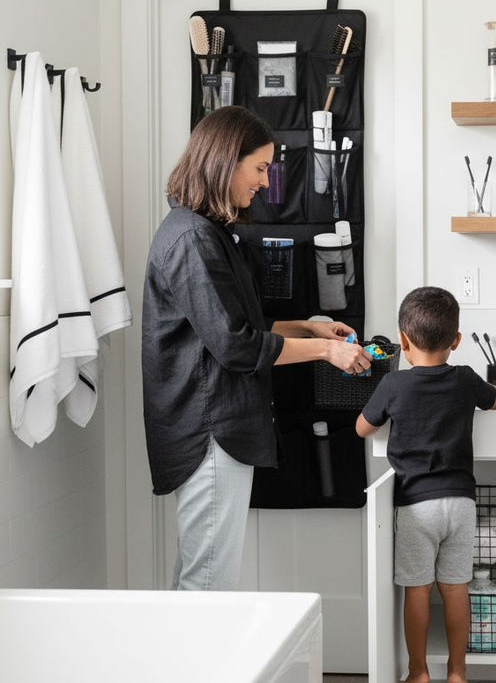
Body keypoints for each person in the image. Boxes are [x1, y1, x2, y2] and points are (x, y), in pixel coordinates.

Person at [142, 106, 371, 591]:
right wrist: (327, 353)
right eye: (261, 168)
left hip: (213, 425)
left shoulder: (205, 232)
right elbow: (237, 347)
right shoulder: (193, 240)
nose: (266, 183)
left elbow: (230, 324)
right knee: (208, 584)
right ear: (226, 161)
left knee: (200, 577)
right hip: (210, 431)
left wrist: (305, 328)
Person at [355, 286, 496, 683]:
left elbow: (362, 428)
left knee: (418, 590)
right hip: (461, 504)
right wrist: (495, 391)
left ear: (403, 341)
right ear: (456, 340)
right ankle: (457, 672)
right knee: (456, 589)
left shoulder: (394, 385)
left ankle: (418, 671)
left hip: (416, 507)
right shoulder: (466, 379)